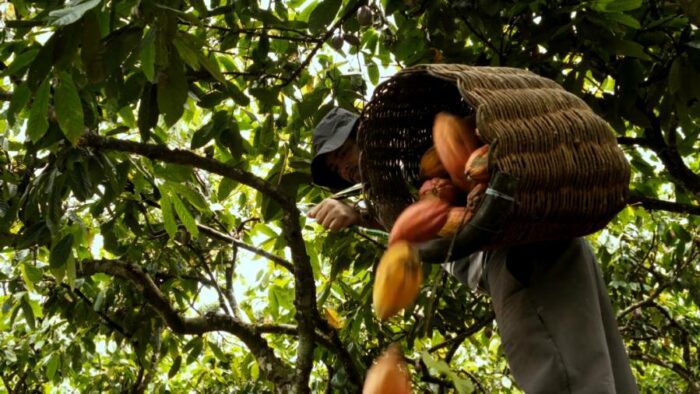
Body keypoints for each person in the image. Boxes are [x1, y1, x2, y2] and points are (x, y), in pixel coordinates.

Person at [308, 107, 639, 393]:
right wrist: (360, 215)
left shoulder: (408, 159)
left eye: (342, 153)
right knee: (599, 368)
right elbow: (420, 219)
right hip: (554, 245)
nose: (343, 169)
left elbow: (429, 210)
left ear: (363, 134)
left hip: (519, 257)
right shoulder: (400, 187)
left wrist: (357, 212)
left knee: (560, 374)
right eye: (335, 169)